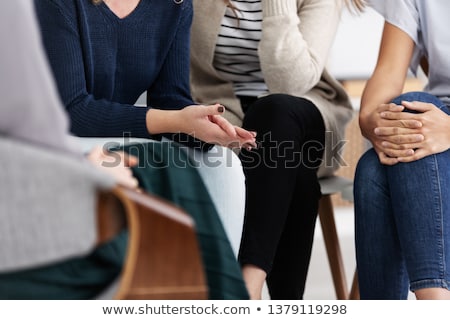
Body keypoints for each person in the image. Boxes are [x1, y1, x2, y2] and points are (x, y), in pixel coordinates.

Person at [0, 0, 250, 300]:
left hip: (120, 133)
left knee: (221, 163)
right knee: (161, 161)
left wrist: (202, 126)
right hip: (57, 140)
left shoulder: (175, 5)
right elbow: (73, 111)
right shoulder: (57, 4)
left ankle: (212, 295)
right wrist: (175, 121)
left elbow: (170, 96)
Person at [190, 0, 364, 299]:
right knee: (288, 161)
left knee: (276, 113)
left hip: (304, 114)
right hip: (224, 114)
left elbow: (289, 83)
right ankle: (286, 304)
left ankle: (248, 288)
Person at [354, 0, 450, 299]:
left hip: (442, 129)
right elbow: (381, 88)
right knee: (373, 168)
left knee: (378, 167)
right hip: (433, 123)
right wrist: (384, 129)